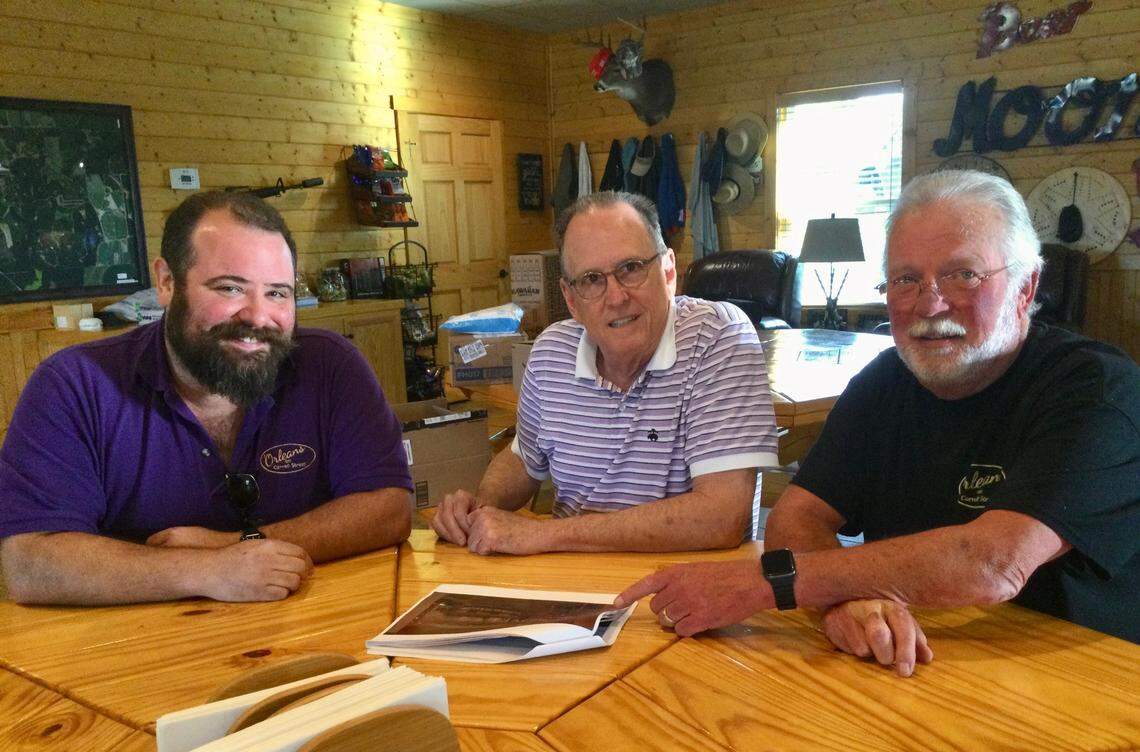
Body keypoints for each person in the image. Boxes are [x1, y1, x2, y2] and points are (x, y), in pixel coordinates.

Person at [615, 170, 1140, 673]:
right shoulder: (887, 381)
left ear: (1026, 288)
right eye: (906, 279)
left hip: (1080, 677)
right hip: (905, 663)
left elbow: (994, 563)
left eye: (963, 274)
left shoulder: (1096, 389)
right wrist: (845, 603)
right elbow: (796, 519)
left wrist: (770, 584)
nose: (930, 303)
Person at [0, 191, 413, 605]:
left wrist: (234, 544)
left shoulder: (329, 365)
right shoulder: (76, 384)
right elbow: (30, 561)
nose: (257, 316)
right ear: (166, 282)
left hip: (313, 630)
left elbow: (390, 508)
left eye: (277, 293)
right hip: (134, 650)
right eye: (230, 288)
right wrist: (209, 571)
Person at [432, 191, 778, 554]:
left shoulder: (719, 336)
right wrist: (480, 510)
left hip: (686, 589)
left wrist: (542, 535)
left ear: (669, 271)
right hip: (572, 581)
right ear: (570, 299)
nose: (615, 297)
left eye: (631, 268)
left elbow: (721, 518)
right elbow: (523, 458)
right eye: (592, 279)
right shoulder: (551, 351)